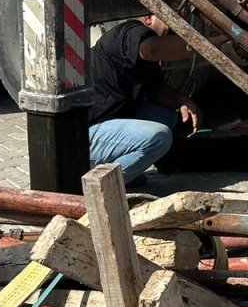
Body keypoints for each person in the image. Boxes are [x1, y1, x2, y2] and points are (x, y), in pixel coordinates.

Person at [87, 15, 209, 184]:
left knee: (166, 115)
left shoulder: (141, 57)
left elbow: (157, 90)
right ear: (149, 18)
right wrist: (208, 44)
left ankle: (121, 172)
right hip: (88, 136)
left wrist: (183, 101)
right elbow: (152, 49)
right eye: (166, 16)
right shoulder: (130, 31)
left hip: (107, 126)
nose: (172, 25)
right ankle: (100, 186)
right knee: (159, 136)